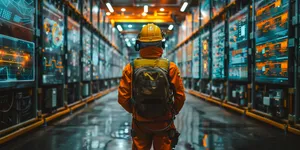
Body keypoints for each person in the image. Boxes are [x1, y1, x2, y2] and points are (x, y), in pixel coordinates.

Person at [118, 23, 186, 150]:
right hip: (164, 121)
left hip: (140, 122)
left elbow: (123, 98)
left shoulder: (131, 68)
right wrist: (172, 111)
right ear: (161, 44)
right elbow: (180, 96)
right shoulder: (170, 67)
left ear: (139, 45)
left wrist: (136, 111)